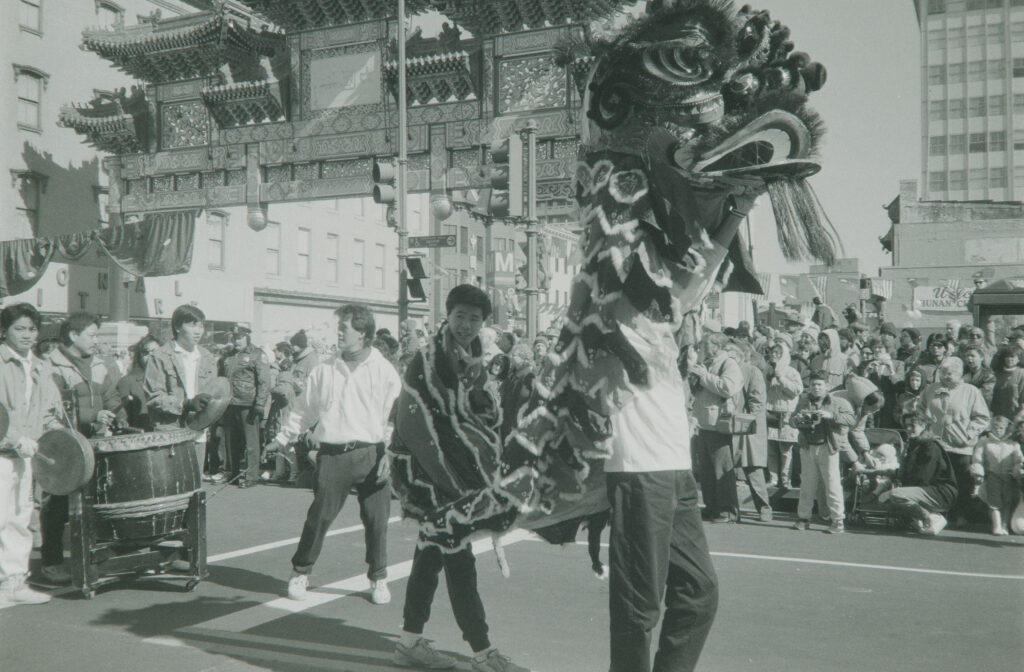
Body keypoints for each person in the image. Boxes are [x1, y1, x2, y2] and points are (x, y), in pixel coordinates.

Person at [390, 285, 529, 672]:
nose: (466, 325)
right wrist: (450, 482)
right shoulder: (428, 360)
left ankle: (408, 643)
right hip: (432, 479)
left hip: (460, 477)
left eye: (474, 319)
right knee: (457, 557)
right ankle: (484, 653)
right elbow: (411, 423)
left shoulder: (473, 359)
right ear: (446, 316)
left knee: (430, 555)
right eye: (460, 317)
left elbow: (478, 416)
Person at [268, 305, 401, 606]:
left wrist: (389, 454)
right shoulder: (324, 370)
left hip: (373, 453)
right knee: (320, 516)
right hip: (333, 456)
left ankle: (378, 577)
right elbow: (303, 411)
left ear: (364, 333)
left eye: (345, 328)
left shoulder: (384, 371)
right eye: (338, 327)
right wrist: (281, 438)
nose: (339, 333)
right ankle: (301, 571)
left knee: (377, 520)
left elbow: (394, 417)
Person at [42, 312, 128, 585]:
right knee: (56, 505)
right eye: (91, 335)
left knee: (99, 500)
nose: (96, 341)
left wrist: (119, 414)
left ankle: (96, 553)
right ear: (72, 335)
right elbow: (54, 411)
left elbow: (110, 396)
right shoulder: (51, 366)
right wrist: (91, 420)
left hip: (95, 444)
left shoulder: (100, 364)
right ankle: (52, 562)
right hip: (64, 447)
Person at [0, 304, 64, 605]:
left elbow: (49, 411)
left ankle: (14, 583)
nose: (27, 335)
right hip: (3, 452)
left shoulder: (41, 365)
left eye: (32, 329)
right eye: (19, 329)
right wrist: (15, 439)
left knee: (19, 518)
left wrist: (58, 435)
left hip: (27, 454)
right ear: (5, 331)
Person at [144, 304, 219, 475]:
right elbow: (154, 396)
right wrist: (185, 404)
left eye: (201, 325)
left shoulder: (207, 357)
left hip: (198, 430)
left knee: (196, 484)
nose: (198, 331)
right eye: (192, 325)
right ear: (177, 327)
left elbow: (214, 392)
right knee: (172, 483)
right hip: (170, 430)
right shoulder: (160, 356)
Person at [918, 357, 991, 526]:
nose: (945, 376)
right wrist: (927, 424)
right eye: (942, 373)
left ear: (959, 374)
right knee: (937, 481)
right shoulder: (931, 389)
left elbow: (983, 417)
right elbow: (919, 408)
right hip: (936, 445)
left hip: (961, 447)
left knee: (962, 483)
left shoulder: (971, 391)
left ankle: (961, 515)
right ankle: (939, 514)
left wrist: (968, 433)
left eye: (949, 373)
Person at [789, 371, 856, 533]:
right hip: (808, 446)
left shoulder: (838, 401)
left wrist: (831, 415)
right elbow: (791, 420)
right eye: (813, 385)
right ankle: (803, 518)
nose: (816, 388)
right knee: (807, 484)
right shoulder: (804, 401)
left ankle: (838, 520)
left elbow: (852, 420)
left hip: (828, 447)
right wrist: (798, 419)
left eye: (819, 385)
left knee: (832, 484)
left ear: (827, 386)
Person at [690, 332, 744, 523]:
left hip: (718, 423)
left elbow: (728, 387)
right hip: (704, 422)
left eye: (706, 343)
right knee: (706, 469)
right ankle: (712, 507)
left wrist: (704, 377)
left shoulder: (729, 364)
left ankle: (728, 510)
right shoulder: (707, 362)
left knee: (721, 469)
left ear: (717, 345)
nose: (702, 346)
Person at [879, 411, 958, 536]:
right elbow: (907, 473)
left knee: (895, 495)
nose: (908, 428)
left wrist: (903, 487)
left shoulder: (930, 446)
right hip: (923, 489)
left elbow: (924, 477)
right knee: (883, 500)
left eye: (912, 425)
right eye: (906, 425)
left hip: (940, 492)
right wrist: (883, 472)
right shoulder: (913, 444)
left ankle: (931, 518)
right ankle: (924, 518)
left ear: (924, 426)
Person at [220, 326, 271, 487]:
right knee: (231, 442)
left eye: (240, 337)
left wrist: (260, 403)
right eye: (234, 338)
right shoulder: (228, 356)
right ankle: (233, 473)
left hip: (248, 404)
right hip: (229, 403)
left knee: (251, 443)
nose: (236, 341)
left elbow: (264, 381)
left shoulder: (257, 354)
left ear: (247, 337)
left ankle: (251, 476)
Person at [729, 342, 772, 521]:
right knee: (728, 469)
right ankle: (731, 510)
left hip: (747, 427)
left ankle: (764, 508)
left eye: (730, 354)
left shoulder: (751, 371)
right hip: (729, 425)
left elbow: (757, 401)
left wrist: (747, 421)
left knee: (753, 468)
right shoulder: (726, 371)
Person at [970, 416, 1023, 536]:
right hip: (993, 476)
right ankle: (997, 525)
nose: (998, 430)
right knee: (994, 502)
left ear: (1006, 429)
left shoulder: (1013, 444)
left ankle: (1004, 525)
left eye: (1001, 428)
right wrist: (978, 472)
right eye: (995, 427)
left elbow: (1018, 460)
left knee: (1008, 501)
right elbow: (977, 459)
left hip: (1008, 477)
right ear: (991, 427)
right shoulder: (984, 442)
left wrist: (1017, 471)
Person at [764, 340, 803, 490]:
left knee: (785, 450)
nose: (773, 355)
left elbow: (796, 390)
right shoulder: (768, 371)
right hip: (770, 412)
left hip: (785, 414)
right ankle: (773, 479)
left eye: (777, 353)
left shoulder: (792, 372)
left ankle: (786, 480)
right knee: (771, 449)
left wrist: (781, 378)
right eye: (772, 352)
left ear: (784, 356)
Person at [117, 335, 160, 431]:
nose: (150, 355)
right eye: (146, 352)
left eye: (155, 351)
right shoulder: (127, 382)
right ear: (139, 357)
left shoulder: (170, 381)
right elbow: (120, 415)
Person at [990, 346, 1024, 425]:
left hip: (1015, 415)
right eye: (1007, 356)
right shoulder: (997, 374)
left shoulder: (1021, 373)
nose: (1009, 359)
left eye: (1012, 356)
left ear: (1018, 358)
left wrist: (1019, 416)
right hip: (997, 415)